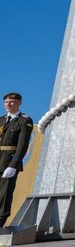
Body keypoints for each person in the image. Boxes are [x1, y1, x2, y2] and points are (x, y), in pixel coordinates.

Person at [0, 92, 34, 227]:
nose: (8, 104)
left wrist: (13, 165)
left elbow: (22, 145)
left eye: (12, 101)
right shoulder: (1, 120)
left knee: (4, 193)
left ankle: (1, 218)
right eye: (6, 102)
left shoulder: (24, 120)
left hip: (9, 161)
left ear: (19, 103)